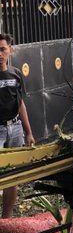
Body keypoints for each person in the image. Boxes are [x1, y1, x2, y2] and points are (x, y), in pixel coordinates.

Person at [0, 34, 35, 218]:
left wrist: (28, 132)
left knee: (13, 176)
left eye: (2, 49)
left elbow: (21, 104)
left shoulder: (16, 74)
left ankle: (6, 220)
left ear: (10, 50)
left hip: (15, 128)